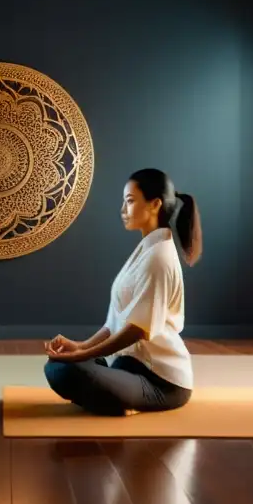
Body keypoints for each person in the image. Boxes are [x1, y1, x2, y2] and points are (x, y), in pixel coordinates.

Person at [43, 168, 202, 416]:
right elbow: (115, 323)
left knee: (68, 370)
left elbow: (137, 330)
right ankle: (114, 399)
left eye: (129, 201)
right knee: (56, 366)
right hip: (127, 366)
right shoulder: (147, 249)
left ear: (155, 204)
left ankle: (120, 401)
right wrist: (78, 347)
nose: (122, 209)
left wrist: (81, 356)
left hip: (161, 380)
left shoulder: (159, 257)